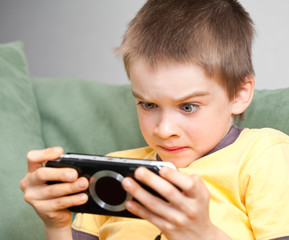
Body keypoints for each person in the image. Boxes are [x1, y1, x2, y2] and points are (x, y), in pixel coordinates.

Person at [20, 0, 289, 239]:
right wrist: (56, 226)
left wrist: (202, 235)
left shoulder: (263, 156)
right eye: (148, 104)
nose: (164, 130)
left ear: (239, 94)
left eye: (188, 106)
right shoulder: (114, 173)